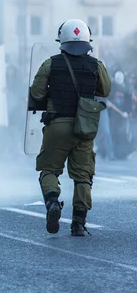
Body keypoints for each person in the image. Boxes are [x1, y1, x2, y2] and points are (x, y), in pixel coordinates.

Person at [30, 19, 111, 236]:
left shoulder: (50, 64)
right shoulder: (96, 65)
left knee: (49, 169)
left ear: (62, 40)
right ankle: (78, 223)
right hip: (84, 127)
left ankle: (53, 202)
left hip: (57, 125)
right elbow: (105, 90)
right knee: (83, 176)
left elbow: (36, 93)